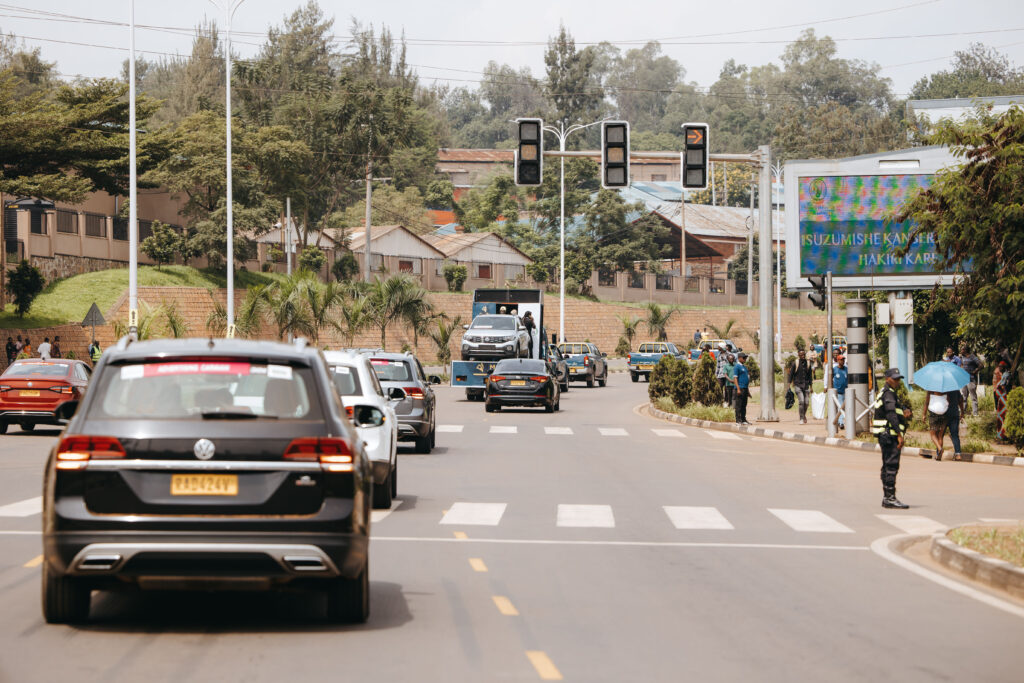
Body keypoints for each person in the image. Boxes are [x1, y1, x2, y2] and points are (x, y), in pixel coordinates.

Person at [872, 368, 913, 509]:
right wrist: (900, 435)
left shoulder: (887, 393)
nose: (897, 381)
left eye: (898, 378)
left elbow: (895, 411)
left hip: (885, 434)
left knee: (887, 466)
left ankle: (887, 497)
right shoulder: (889, 393)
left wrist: (904, 411)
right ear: (887, 379)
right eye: (894, 378)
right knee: (891, 466)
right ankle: (889, 498)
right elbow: (891, 414)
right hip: (889, 435)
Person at [922, 388, 950, 461]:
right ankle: (938, 456)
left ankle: (940, 449)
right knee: (940, 436)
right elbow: (947, 402)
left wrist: (924, 415)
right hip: (944, 414)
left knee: (933, 435)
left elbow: (926, 403)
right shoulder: (946, 391)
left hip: (933, 414)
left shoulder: (930, 391)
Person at [789, 350, 813, 424]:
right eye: (801, 355)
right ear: (798, 355)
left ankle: (803, 415)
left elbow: (810, 376)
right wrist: (788, 386)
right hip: (798, 385)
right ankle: (801, 418)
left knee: (806, 402)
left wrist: (811, 387)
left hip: (806, 385)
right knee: (801, 401)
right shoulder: (795, 363)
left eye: (803, 354)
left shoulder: (808, 363)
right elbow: (791, 374)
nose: (802, 356)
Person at [961, 348, 982, 417]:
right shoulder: (962, 357)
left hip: (971, 380)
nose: (961, 351)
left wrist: (975, 371)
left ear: (965, 350)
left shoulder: (972, 357)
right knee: (964, 397)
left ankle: (975, 413)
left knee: (973, 397)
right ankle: (963, 412)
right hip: (964, 380)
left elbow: (981, 365)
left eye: (962, 350)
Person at [732, 353, 751, 425]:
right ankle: (738, 420)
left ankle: (743, 419)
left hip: (745, 388)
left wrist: (748, 391)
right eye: (743, 358)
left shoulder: (744, 367)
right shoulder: (737, 367)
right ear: (739, 358)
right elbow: (735, 378)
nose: (745, 359)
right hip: (740, 388)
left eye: (745, 358)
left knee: (744, 405)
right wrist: (738, 389)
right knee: (738, 405)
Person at [994, 360, 1010, 441]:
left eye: (1001, 366)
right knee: (1001, 416)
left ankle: (1003, 434)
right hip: (1001, 399)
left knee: (1002, 416)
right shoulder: (1004, 374)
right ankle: (1001, 434)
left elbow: (1003, 387)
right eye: (999, 366)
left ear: (1004, 367)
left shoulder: (1005, 375)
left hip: (1003, 399)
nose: (999, 368)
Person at [833, 355, 848, 428]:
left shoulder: (846, 369)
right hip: (838, 392)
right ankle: (841, 422)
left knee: (844, 408)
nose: (843, 361)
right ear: (838, 361)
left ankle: (840, 420)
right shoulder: (835, 369)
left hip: (845, 391)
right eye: (841, 360)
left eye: (843, 360)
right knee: (840, 407)